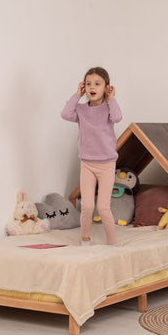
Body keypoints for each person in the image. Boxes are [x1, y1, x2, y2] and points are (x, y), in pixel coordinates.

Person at [61, 67, 123, 245]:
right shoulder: (80, 110)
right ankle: (85, 240)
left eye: (97, 84)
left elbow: (118, 117)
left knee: (103, 207)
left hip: (107, 165)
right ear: (84, 88)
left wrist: (112, 99)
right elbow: (65, 114)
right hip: (87, 164)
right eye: (88, 84)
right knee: (87, 206)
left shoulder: (109, 109)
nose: (92, 87)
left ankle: (112, 243)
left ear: (107, 87)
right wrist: (76, 95)